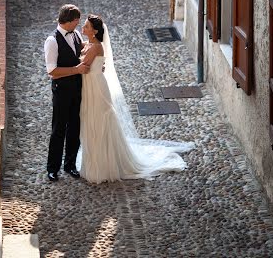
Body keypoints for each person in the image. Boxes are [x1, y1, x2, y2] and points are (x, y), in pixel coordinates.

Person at [74, 14, 195, 184]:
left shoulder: (95, 47)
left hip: (96, 87)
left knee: (100, 120)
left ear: (94, 31)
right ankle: (96, 161)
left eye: (86, 26)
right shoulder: (89, 44)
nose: (83, 28)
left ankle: (105, 164)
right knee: (91, 120)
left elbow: (83, 67)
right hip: (89, 87)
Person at [44, 4, 90, 182]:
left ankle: (70, 165)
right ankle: (52, 168)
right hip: (61, 92)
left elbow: (83, 57)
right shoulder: (52, 41)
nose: (78, 25)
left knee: (74, 128)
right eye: (77, 21)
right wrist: (76, 70)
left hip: (78, 90)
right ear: (70, 22)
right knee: (58, 130)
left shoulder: (76, 35)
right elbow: (52, 71)